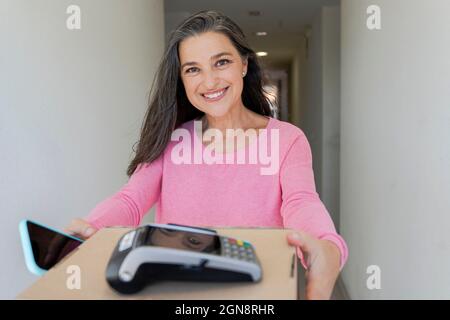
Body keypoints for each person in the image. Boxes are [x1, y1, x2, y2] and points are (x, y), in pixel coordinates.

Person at [64, 10, 348, 300]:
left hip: (256, 294)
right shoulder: (172, 138)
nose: (209, 81)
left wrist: (326, 244)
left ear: (244, 65)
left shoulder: (287, 139)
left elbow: (302, 202)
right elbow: (131, 199)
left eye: (221, 62)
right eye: (193, 69)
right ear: (182, 79)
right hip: (178, 292)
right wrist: (91, 227)